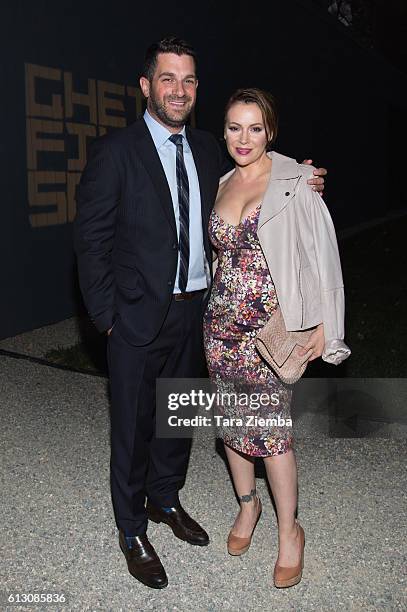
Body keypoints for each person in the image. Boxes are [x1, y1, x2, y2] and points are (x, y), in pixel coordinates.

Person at [73, 38, 327, 590]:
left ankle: (166, 500)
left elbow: (261, 170)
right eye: (168, 79)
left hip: (200, 316)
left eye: (188, 80)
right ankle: (132, 527)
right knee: (133, 426)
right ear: (146, 86)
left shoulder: (211, 148)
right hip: (137, 319)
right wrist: (107, 318)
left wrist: (303, 176)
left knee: (178, 421)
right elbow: (90, 241)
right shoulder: (116, 152)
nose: (179, 90)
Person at [203, 88, 350, 588]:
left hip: (268, 332)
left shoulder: (294, 181)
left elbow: (322, 252)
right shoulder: (222, 182)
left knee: (273, 437)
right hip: (220, 330)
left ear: (271, 132)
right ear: (223, 131)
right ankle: (248, 508)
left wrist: (326, 322)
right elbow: (221, 258)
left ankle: (291, 531)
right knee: (233, 427)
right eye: (234, 128)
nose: (244, 139)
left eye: (255, 128)